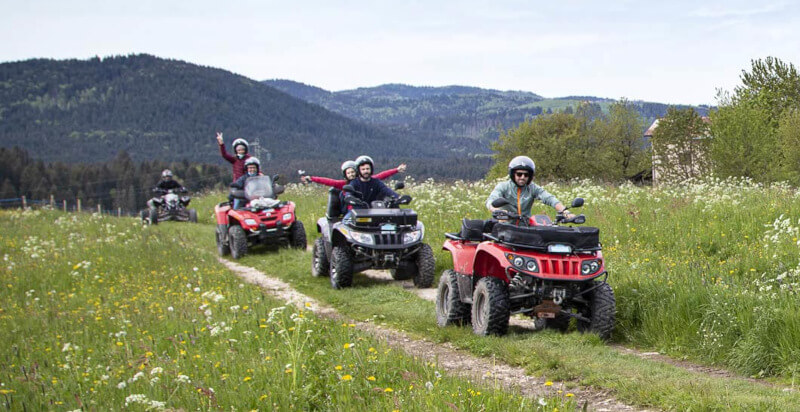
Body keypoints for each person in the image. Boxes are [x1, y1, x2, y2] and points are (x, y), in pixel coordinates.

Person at [486, 156, 575, 220]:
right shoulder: (504, 186)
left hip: (526, 227)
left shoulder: (532, 188)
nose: (522, 177)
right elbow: (491, 200)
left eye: (526, 174)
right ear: (513, 174)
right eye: (519, 174)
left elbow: (549, 198)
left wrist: (565, 211)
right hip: (505, 227)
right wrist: (496, 210)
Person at [301, 160, 407, 189]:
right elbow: (328, 181)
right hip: (352, 209)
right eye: (348, 173)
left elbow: (382, 175)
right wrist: (312, 178)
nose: (351, 174)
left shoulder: (368, 180)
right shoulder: (343, 184)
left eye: (352, 172)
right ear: (345, 174)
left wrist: (396, 170)